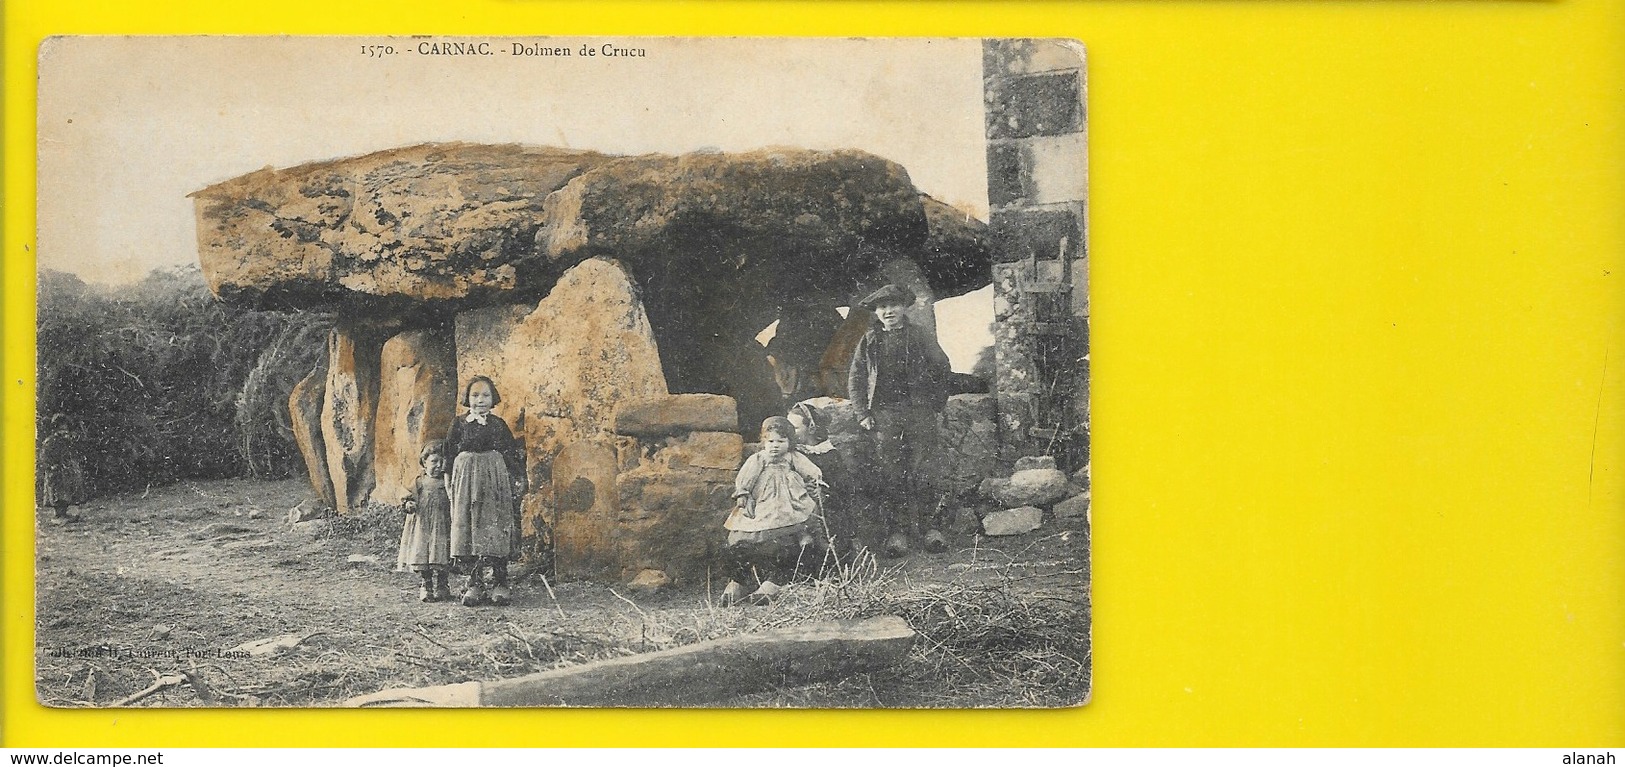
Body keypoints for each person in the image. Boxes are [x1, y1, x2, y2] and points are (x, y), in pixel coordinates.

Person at [847, 283, 952, 557]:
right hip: (885, 415)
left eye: (893, 305)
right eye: (882, 307)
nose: (888, 311)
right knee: (892, 474)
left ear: (904, 307)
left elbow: (942, 368)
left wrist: (935, 406)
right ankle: (898, 534)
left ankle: (932, 530)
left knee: (925, 470)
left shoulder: (920, 336)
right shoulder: (870, 340)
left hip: (919, 413)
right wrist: (862, 414)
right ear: (876, 312)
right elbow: (856, 378)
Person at [722, 416, 824, 605]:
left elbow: (810, 470)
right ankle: (740, 584)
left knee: (790, 536)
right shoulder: (758, 458)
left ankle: (774, 583)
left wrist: (815, 483)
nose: (775, 446)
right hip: (763, 502)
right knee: (747, 535)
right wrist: (743, 493)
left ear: (789, 442)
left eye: (781, 441)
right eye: (770, 441)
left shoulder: (793, 457)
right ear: (764, 442)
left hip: (789, 502)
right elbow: (746, 476)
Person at [445, 376, 526, 607]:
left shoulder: (498, 425)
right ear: (467, 398)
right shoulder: (458, 424)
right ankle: (475, 584)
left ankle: (500, 582)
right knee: (468, 527)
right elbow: (449, 457)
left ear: (493, 399)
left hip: (494, 480)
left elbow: (510, 454)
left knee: (495, 527)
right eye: (475, 395)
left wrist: (516, 480)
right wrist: (449, 484)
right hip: (465, 482)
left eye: (485, 396)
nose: (480, 400)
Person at [787, 402, 859, 562]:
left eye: (795, 429)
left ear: (811, 428)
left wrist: (825, 494)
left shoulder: (829, 455)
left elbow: (844, 488)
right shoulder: (791, 454)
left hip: (825, 507)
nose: (789, 434)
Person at [397, 440, 453, 602]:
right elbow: (407, 494)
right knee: (423, 552)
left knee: (442, 552)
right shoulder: (419, 481)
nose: (438, 466)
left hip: (442, 523)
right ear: (424, 462)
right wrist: (409, 503)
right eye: (434, 461)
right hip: (423, 525)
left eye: (442, 462)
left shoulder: (447, 481)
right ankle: (426, 584)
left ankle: (442, 584)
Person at [39, 413, 87, 522]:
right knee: (57, 492)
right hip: (56, 470)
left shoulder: (68, 439)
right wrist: (50, 466)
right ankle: (59, 514)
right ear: (55, 429)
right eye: (60, 429)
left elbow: (80, 440)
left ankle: (65, 513)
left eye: (65, 429)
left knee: (68, 491)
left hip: (67, 469)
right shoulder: (50, 441)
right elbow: (44, 456)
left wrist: (81, 426)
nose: (63, 432)